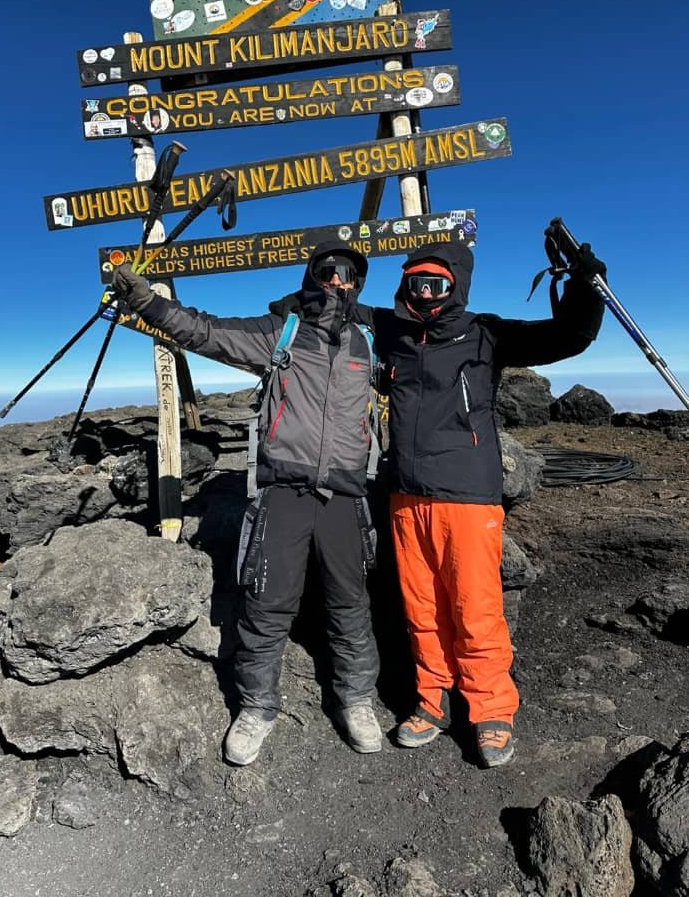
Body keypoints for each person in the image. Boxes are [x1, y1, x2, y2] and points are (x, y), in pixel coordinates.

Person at [112, 241, 382, 766]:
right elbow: (206, 332)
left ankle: (357, 699)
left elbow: (439, 343)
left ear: (358, 284)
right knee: (266, 602)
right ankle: (257, 707)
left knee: (351, 604)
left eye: (348, 273)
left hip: (347, 494)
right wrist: (147, 303)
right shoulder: (279, 332)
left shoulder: (370, 340)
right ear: (312, 275)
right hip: (282, 490)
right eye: (327, 269)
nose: (337, 279)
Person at [357, 238, 605, 767]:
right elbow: (336, 306)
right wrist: (308, 297)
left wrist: (584, 286)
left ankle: (491, 710)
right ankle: (431, 699)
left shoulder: (486, 333)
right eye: (415, 284)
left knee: (475, 607)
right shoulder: (390, 330)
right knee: (421, 607)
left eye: (436, 284)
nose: (424, 294)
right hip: (404, 494)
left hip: (467, 496)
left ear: (457, 287)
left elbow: (570, 335)